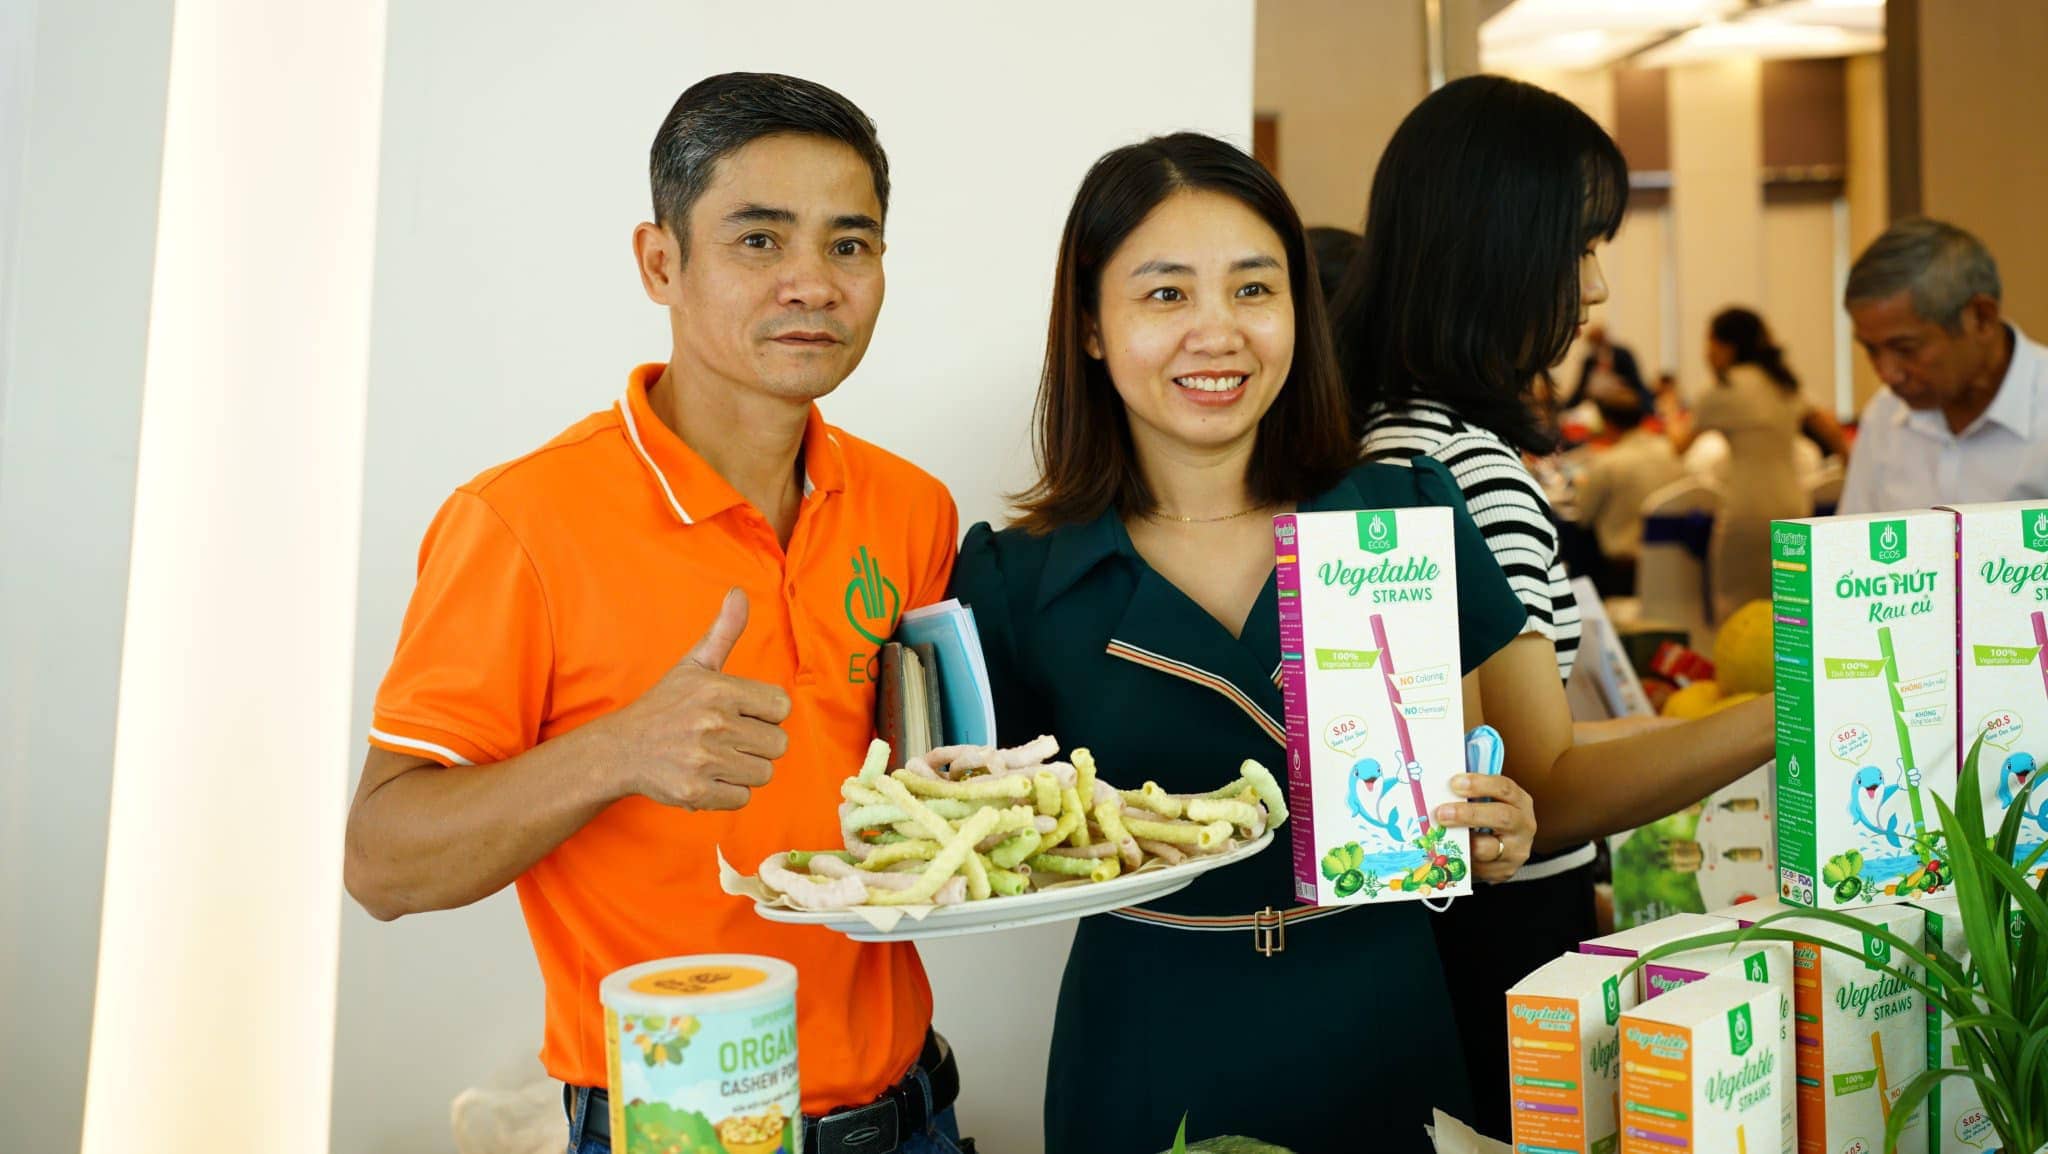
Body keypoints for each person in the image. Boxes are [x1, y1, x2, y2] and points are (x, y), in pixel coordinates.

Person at [343, 74, 972, 1154]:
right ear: (659, 263)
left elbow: (914, 793)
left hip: (914, 1112)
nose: (812, 283)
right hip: (679, 1126)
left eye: (849, 244)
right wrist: (618, 750)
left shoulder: (911, 508)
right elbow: (380, 864)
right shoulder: (521, 522)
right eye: (759, 240)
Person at [949, 132, 1541, 1154]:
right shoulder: (1016, 579)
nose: (1216, 331)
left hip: (1383, 1027)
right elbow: (978, 846)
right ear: (1090, 326)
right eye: (1165, 294)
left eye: (1253, 289)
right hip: (1146, 1047)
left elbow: (1472, 779)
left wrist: (1495, 824)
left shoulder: (1401, 515)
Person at [1330, 74, 1777, 1140]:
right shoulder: (1465, 467)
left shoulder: (1379, 432)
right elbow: (1544, 787)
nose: (1596, 287)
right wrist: (1789, 708)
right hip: (1502, 937)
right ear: (1496, 245)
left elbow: (1496, 742)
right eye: (1578, 246)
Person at [1838, 216, 2048, 513]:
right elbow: (1853, 538)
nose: (1887, 374)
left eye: (1906, 349)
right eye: (1871, 350)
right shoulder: (1884, 417)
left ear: (1981, 318)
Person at [1671, 307, 1815, 618]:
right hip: (1795, 506)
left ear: (1726, 346)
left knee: (1738, 610)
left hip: (1747, 511)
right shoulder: (1784, 383)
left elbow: (1678, 445)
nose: (1706, 354)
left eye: (1709, 344)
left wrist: (1668, 404)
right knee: (1792, 611)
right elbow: (1824, 422)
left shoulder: (1723, 388)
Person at [1571, 383, 1684, 597]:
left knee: (1576, 542)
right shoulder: (1669, 450)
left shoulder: (1609, 463)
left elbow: (1583, 516)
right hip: (1673, 558)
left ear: (1606, 423)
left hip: (1625, 571)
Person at [1560, 322, 1650, 411]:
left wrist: (1647, 407)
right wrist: (1563, 408)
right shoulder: (1590, 361)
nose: (1597, 348)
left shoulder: (1622, 356)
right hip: (1597, 405)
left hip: (1621, 405)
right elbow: (1579, 390)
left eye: (1599, 342)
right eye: (1594, 345)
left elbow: (1636, 383)